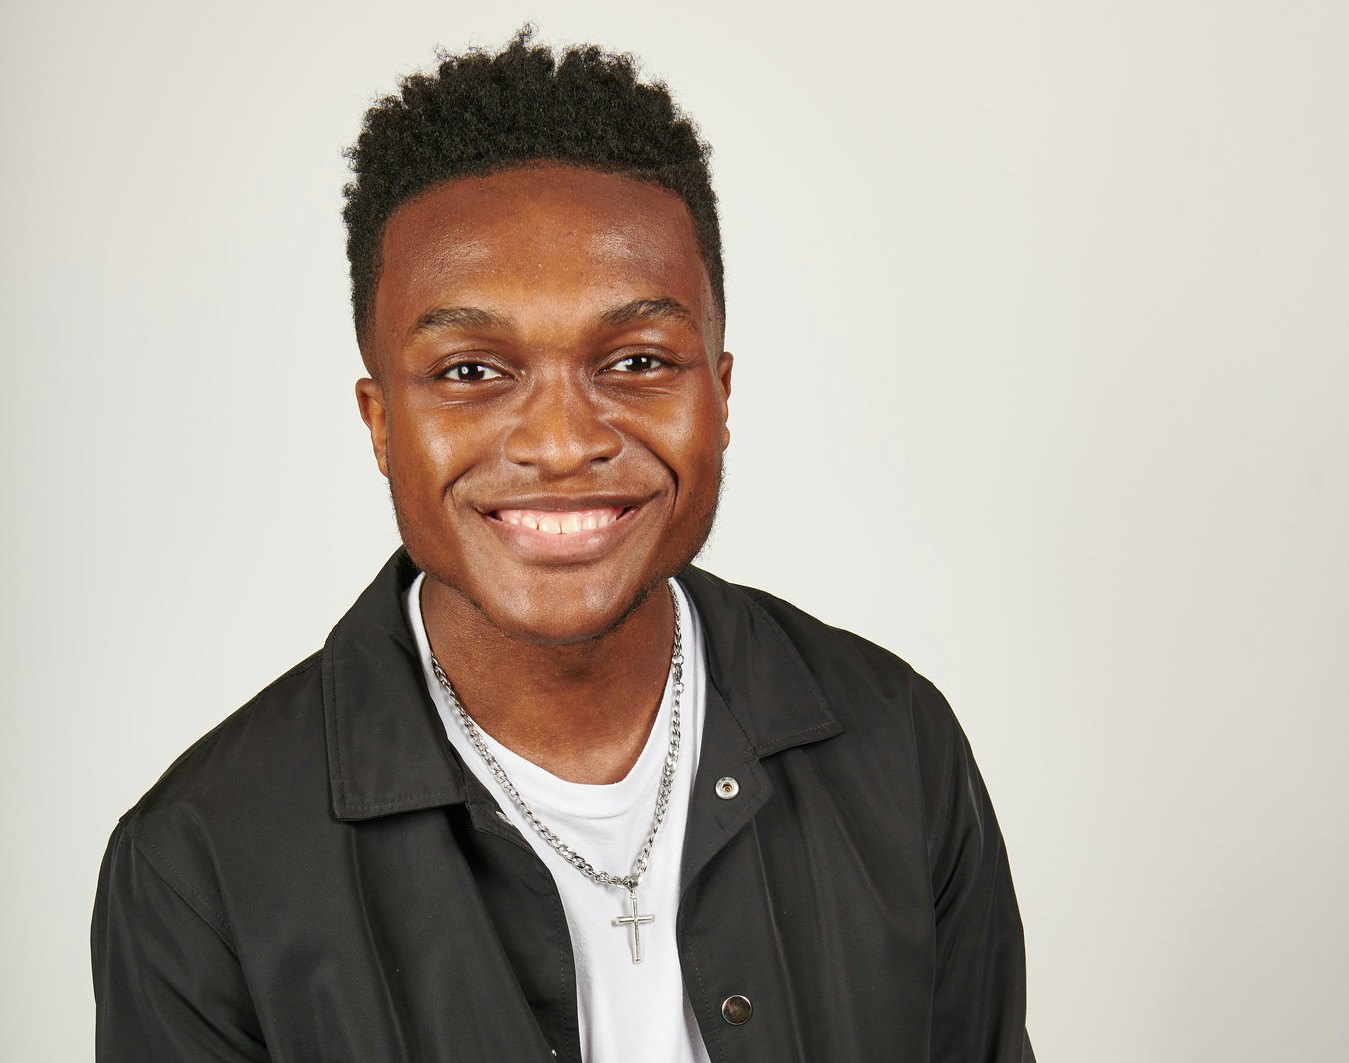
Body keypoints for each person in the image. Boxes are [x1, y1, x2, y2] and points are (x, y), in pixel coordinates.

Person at [91, 29, 1034, 1063]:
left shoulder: (893, 742)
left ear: (719, 393)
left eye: (636, 360)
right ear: (380, 422)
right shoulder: (201, 864)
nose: (561, 441)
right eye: (470, 371)